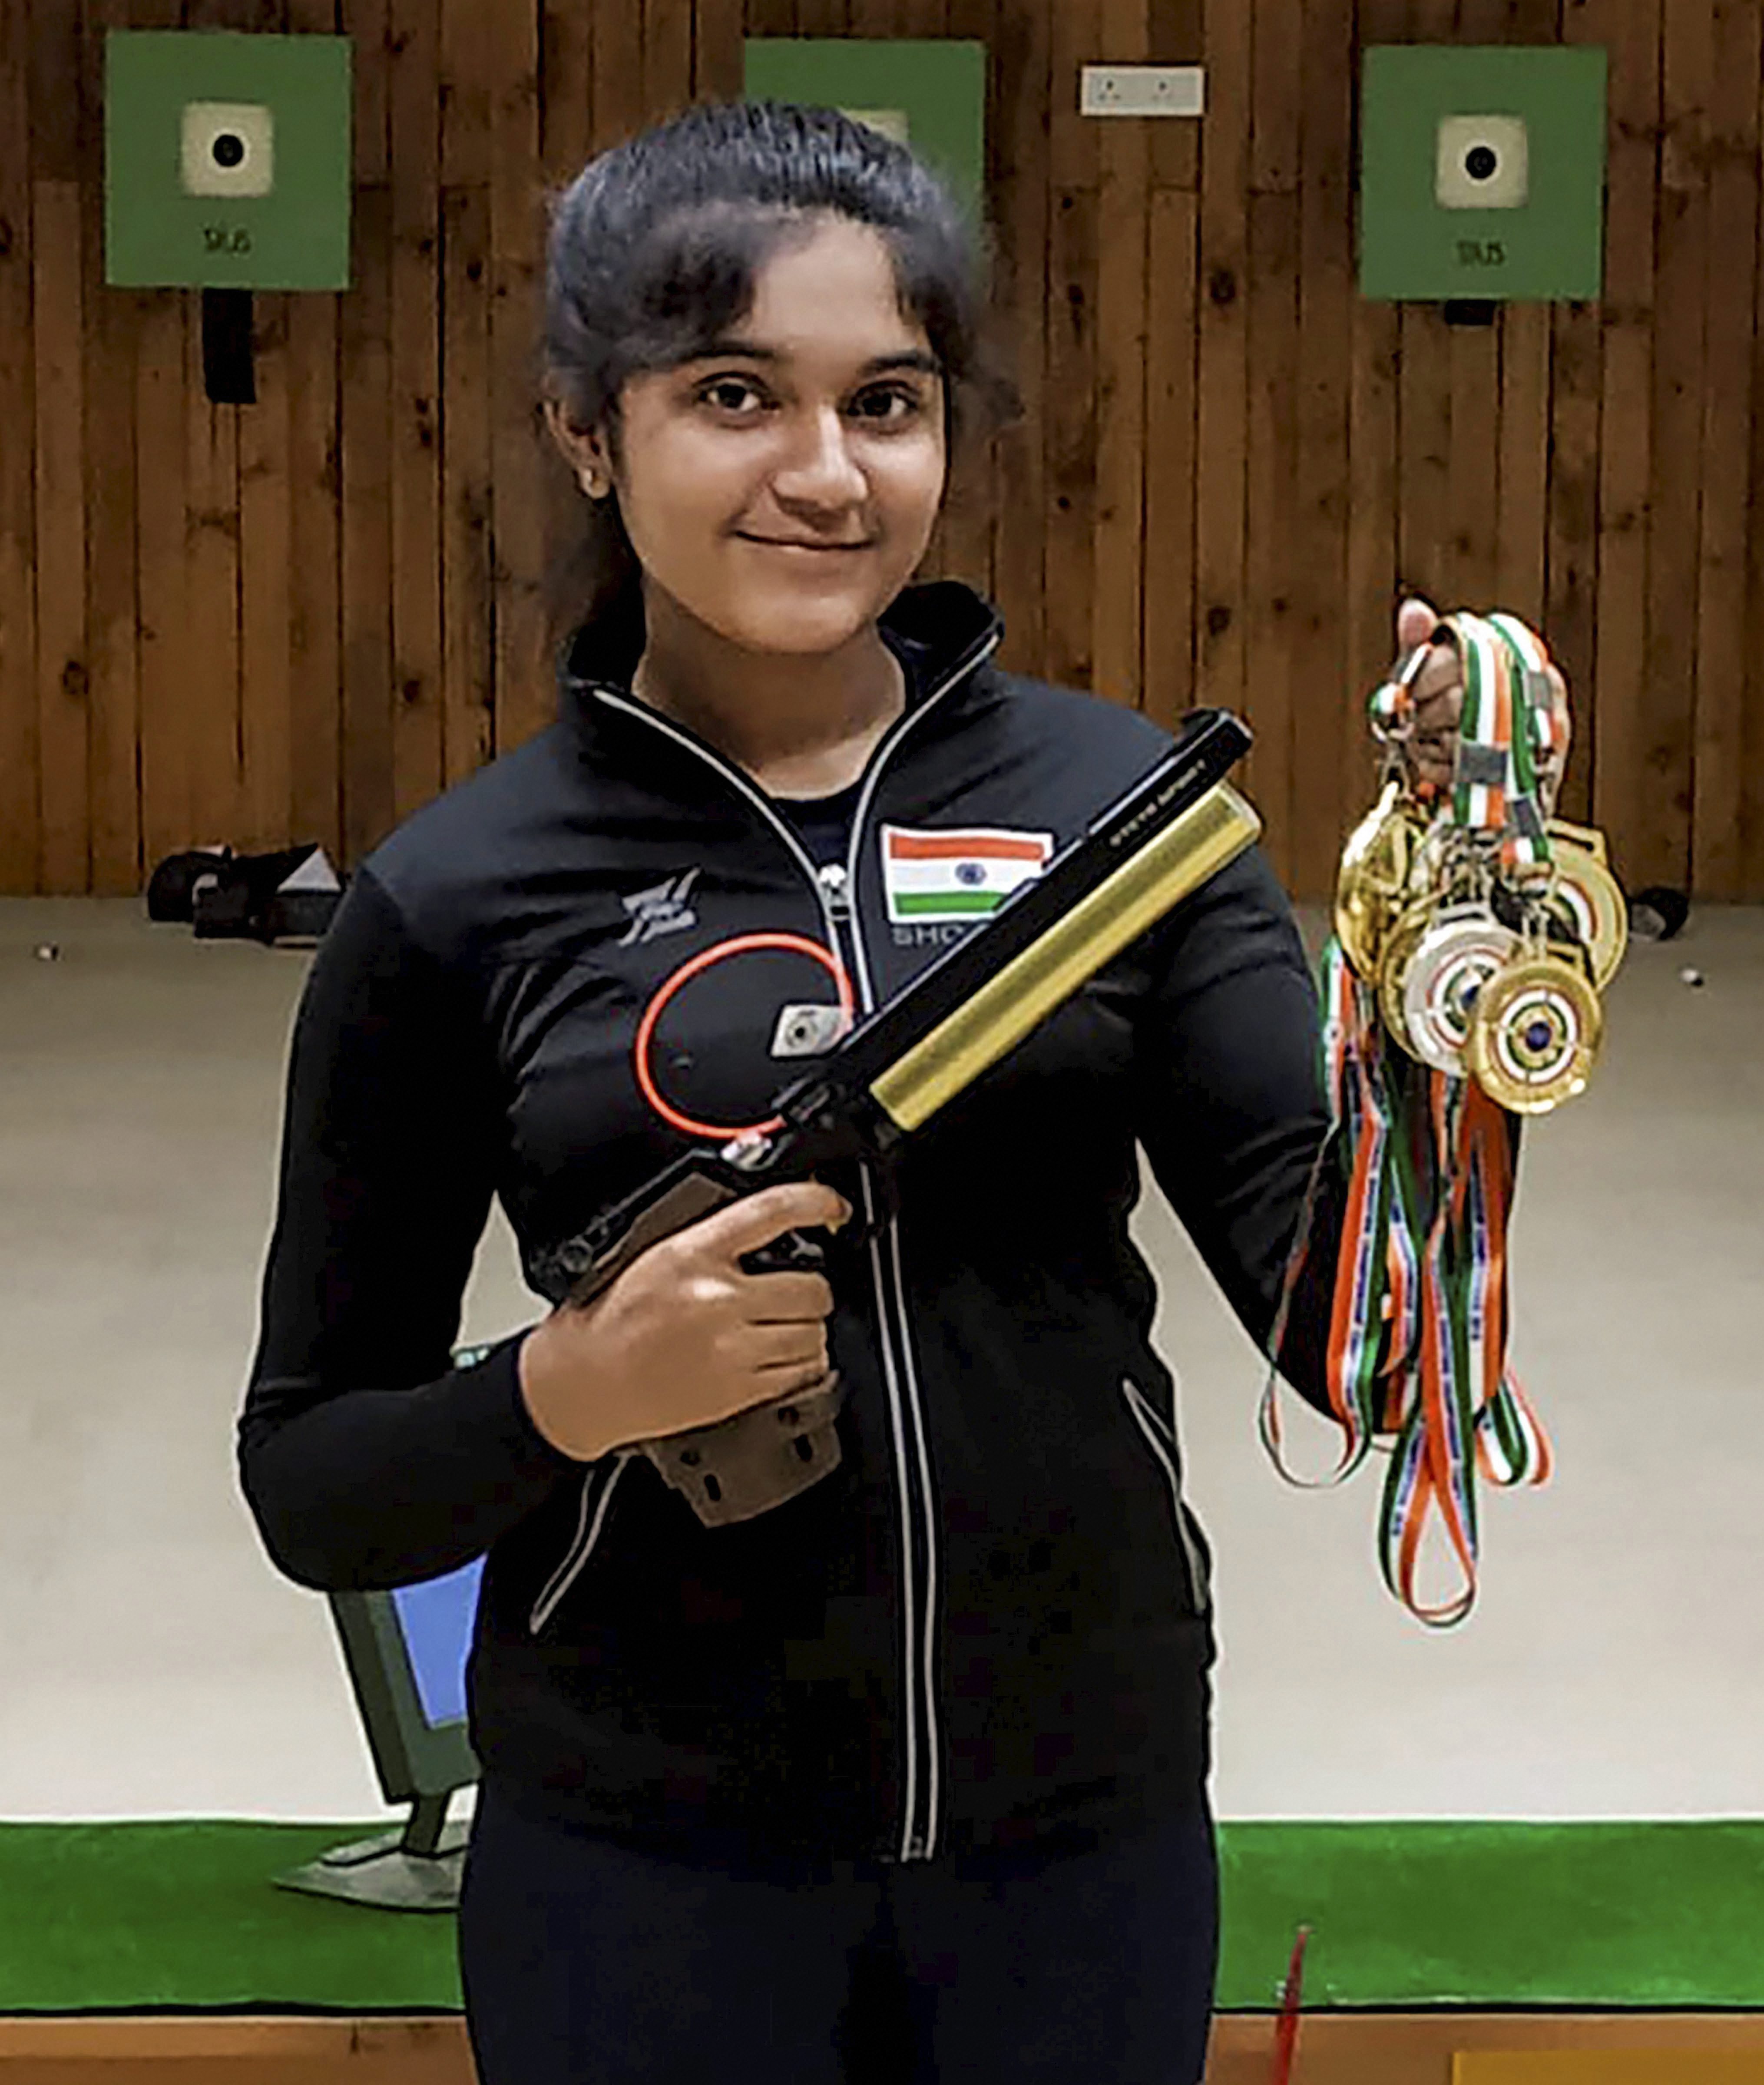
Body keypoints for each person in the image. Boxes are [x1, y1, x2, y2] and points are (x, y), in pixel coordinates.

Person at [236, 100, 1565, 2085]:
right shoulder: (451, 898)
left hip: (1075, 1845)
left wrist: (1443, 995)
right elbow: (313, 1476)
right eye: (732, 395)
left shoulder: (1127, 824)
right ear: (591, 432)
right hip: (638, 1868)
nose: (823, 472)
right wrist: (565, 1396)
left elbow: (1363, 1355)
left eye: (887, 401)